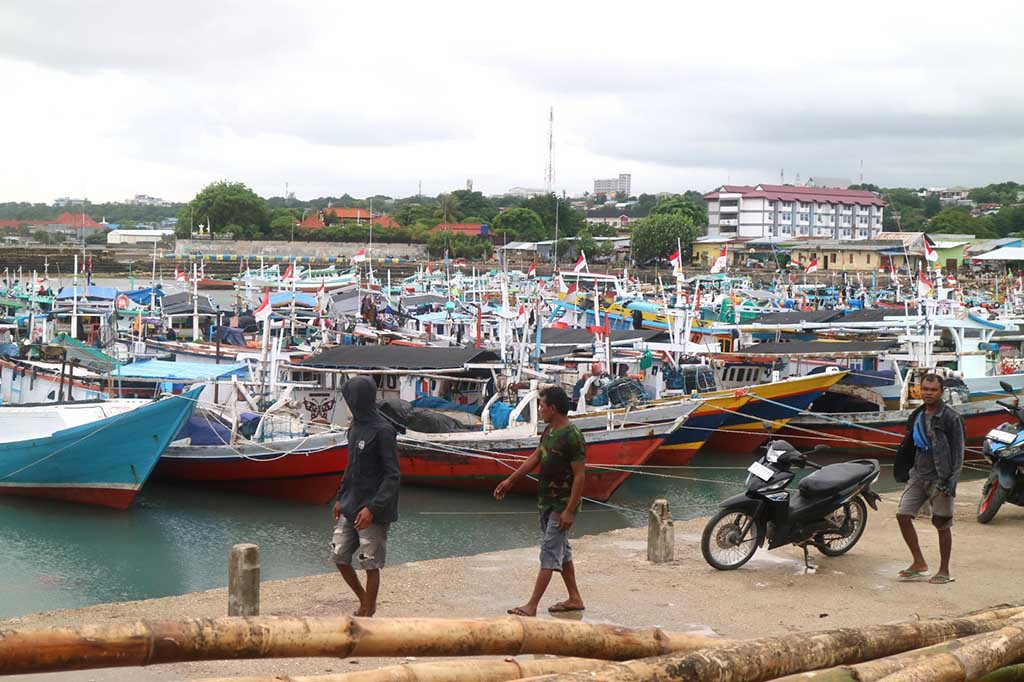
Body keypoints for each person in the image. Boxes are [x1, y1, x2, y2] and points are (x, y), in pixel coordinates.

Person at [494, 385, 586, 616]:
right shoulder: (550, 431)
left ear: (553, 408)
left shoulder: (572, 436)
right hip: (546, 501)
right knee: (562, 551)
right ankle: (574, 597)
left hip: (561, 505)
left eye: (542, 406)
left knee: (549, 551)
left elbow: (580, 476)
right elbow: (536, 457)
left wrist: (569, 510)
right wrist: (511, 481)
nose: (540, 409)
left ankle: (531, 605)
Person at [330, 376, 400, 617]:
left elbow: (393, 476)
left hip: (373, 509)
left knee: (370, 562)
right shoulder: (355, 427)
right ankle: (365, 600)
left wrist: (373, 508)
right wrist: (340, 497)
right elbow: (351, 467)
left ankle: (368, 610)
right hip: (351, 503)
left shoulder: (384, 431)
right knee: (339, 556)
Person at [893, 373, 965, 585]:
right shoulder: (917, 414)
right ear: (919, 390)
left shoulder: (952, 418)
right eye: (925, 389)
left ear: (941, 392)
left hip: (940, 478)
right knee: (902, 515)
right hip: (918, 474)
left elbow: (959, 453)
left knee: (941, 523)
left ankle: (944, 570)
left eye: (933, 390)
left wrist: (950, 483)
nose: (928, 393)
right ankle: (918, 562)